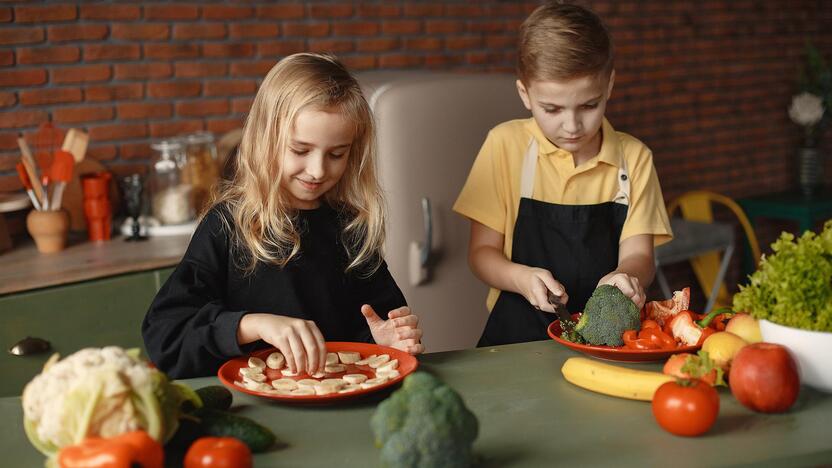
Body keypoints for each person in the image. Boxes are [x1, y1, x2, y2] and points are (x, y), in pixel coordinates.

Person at [143, 53, 424, 378]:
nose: (318, 170)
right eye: (300, 150)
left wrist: (386, 340)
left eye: (336, 154)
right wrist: (250, 324)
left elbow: (373, 335)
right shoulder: (226, 225)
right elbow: (166, 338)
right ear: (266, 138)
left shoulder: (351, 229)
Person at [453, 2, 672, 347]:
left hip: (608, 341)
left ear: (609, 86)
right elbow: (481, 253)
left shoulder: (634, 158)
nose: (572, 126)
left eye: (589, 105)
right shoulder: (504, 145)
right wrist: (521, 277)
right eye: (552, 109)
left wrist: (625, 276)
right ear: (525, 94)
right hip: (516, 336)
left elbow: (642, 256)